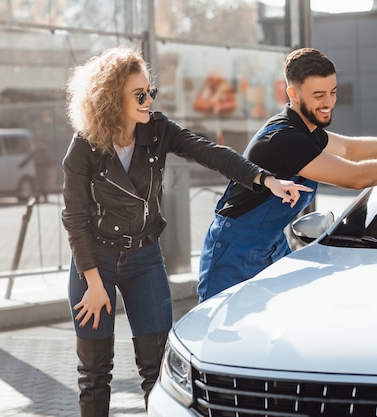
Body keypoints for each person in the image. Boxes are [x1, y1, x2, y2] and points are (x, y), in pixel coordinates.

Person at [61, 46, 312, 417]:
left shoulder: (157, 130)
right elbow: (75, 219)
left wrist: (264, 178)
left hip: (144, 258)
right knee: (95, 374)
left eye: (150, 92)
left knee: (156, 371)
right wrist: (94, 285)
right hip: (94, 262)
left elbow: (210, 153)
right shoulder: (84, 147)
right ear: (112, 99)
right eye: (140, 95)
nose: (149, 100)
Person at [198, 47, 377, 302]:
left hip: (271, 245)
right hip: (234, 249)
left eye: (333, 92)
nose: (329, 102)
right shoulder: (284, 138)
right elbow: (355, 176)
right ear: (293, 93)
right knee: (222, 335)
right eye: (319, 95)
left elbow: (349, 148)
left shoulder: (305, 128)